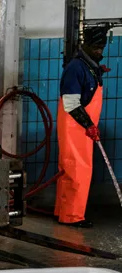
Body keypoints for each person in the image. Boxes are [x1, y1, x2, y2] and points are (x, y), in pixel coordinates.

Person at [56, 25, 111, 228]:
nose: (99, 51)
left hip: (82, 130)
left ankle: (62, 212)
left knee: (69, 170)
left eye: (101, 47)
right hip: (75, 128)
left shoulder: (90, 66)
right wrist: (88, 125)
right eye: (95, 47)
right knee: (77, 171)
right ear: (85, 45)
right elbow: (71, 103)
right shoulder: (75, 68)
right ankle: (72, 217)